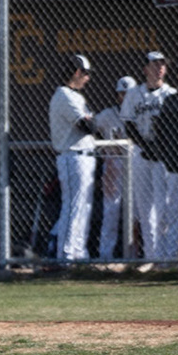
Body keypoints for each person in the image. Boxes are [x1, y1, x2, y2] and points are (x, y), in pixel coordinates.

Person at [145, 56, 178, 262]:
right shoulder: (171, 101)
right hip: (175, 167)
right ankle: (170, 257)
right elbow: (161, 132)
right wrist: (167, 157)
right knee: (174, 214)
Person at [124, 51, 176, 261]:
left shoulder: (170, 93)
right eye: (155, 64)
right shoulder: (134, 93)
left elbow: (174, 126)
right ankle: (151, 256)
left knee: (164, 207)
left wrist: (159, 147)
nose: (159, 68)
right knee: (145, 208)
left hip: (164, 154)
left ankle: (164, 256)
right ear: (145, 69)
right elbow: (128, 123)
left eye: (162, 64)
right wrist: (145, 145)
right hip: (141, 152)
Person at [46, 54, 96, 265]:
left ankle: (78, 253)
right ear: (76, 72)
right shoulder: (64, 95)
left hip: (84, 157)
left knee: (83, 208)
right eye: (86, 73)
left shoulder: (76, 96)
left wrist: (93, 120)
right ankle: (65, 256)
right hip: (72, 156)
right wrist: (93, 120)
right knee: (73, 207)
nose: (87, 78)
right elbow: (88, 126)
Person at [93, 75, 136, 261]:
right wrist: (102, 151)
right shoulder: (107, 114)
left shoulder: (140, 113)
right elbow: (90, 129)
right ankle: (106, 256)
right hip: (114, 164)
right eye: (122, 94)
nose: (125, 97)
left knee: (136, 213)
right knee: (111, 211)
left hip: (136, 165)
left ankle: (135, 256)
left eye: (129, 94)